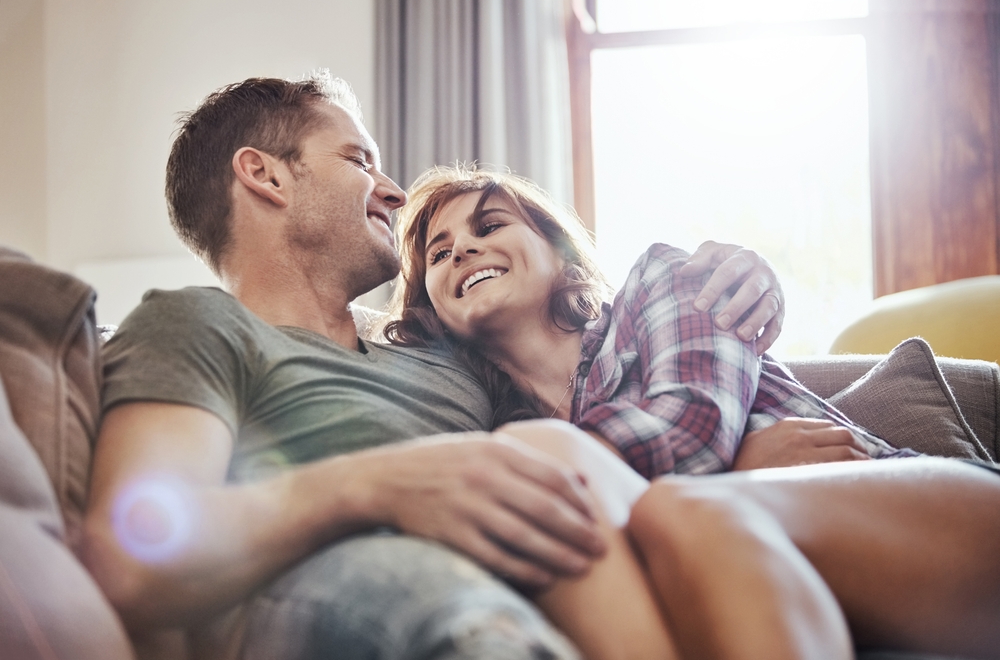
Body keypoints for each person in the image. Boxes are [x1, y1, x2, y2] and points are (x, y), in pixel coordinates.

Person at [81, 73, 792, 659]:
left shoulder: (451, 358)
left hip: (542, 572)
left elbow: (592, 386)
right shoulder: (197, 323)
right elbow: (131, 552)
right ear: (264, 174)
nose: (393, 192)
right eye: (359, 160)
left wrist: (737, 300)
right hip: (363, 589)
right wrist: (374, 483)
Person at [387, 165, 1000, 658]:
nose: (463, 249)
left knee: (679, 506)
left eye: (489, 226)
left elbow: (694, 432)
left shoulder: (667, 280)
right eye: (439, 255)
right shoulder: (507, 433)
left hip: (933, 518)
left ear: (561, 253)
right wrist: (747, 465)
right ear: (434, 312)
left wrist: (722, 468)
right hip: (769, 578)